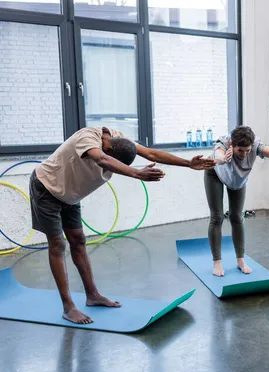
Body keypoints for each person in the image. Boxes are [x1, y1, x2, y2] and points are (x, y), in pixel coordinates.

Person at [31, 126, 216, 325]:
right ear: (107, 148)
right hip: (47, 187)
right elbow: (102, 160)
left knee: (78, 240)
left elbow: (151, 153)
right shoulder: (87, 137)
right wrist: (136, 174)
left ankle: (93, 295)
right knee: (58, 244)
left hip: (70, 194)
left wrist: (188, 163)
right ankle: (68, 307)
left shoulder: (120, 139)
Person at [206, 125, 269, 277]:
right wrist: (223, 158)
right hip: (215, 173)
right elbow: (218, 155)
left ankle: (240, 260)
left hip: (237, 180)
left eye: (248, 150)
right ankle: (217, 262)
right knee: (217, 216)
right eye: (240, 151)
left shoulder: (255, 144)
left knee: (237, 217)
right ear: (232, 144)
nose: (244, 154)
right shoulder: (224, 143)